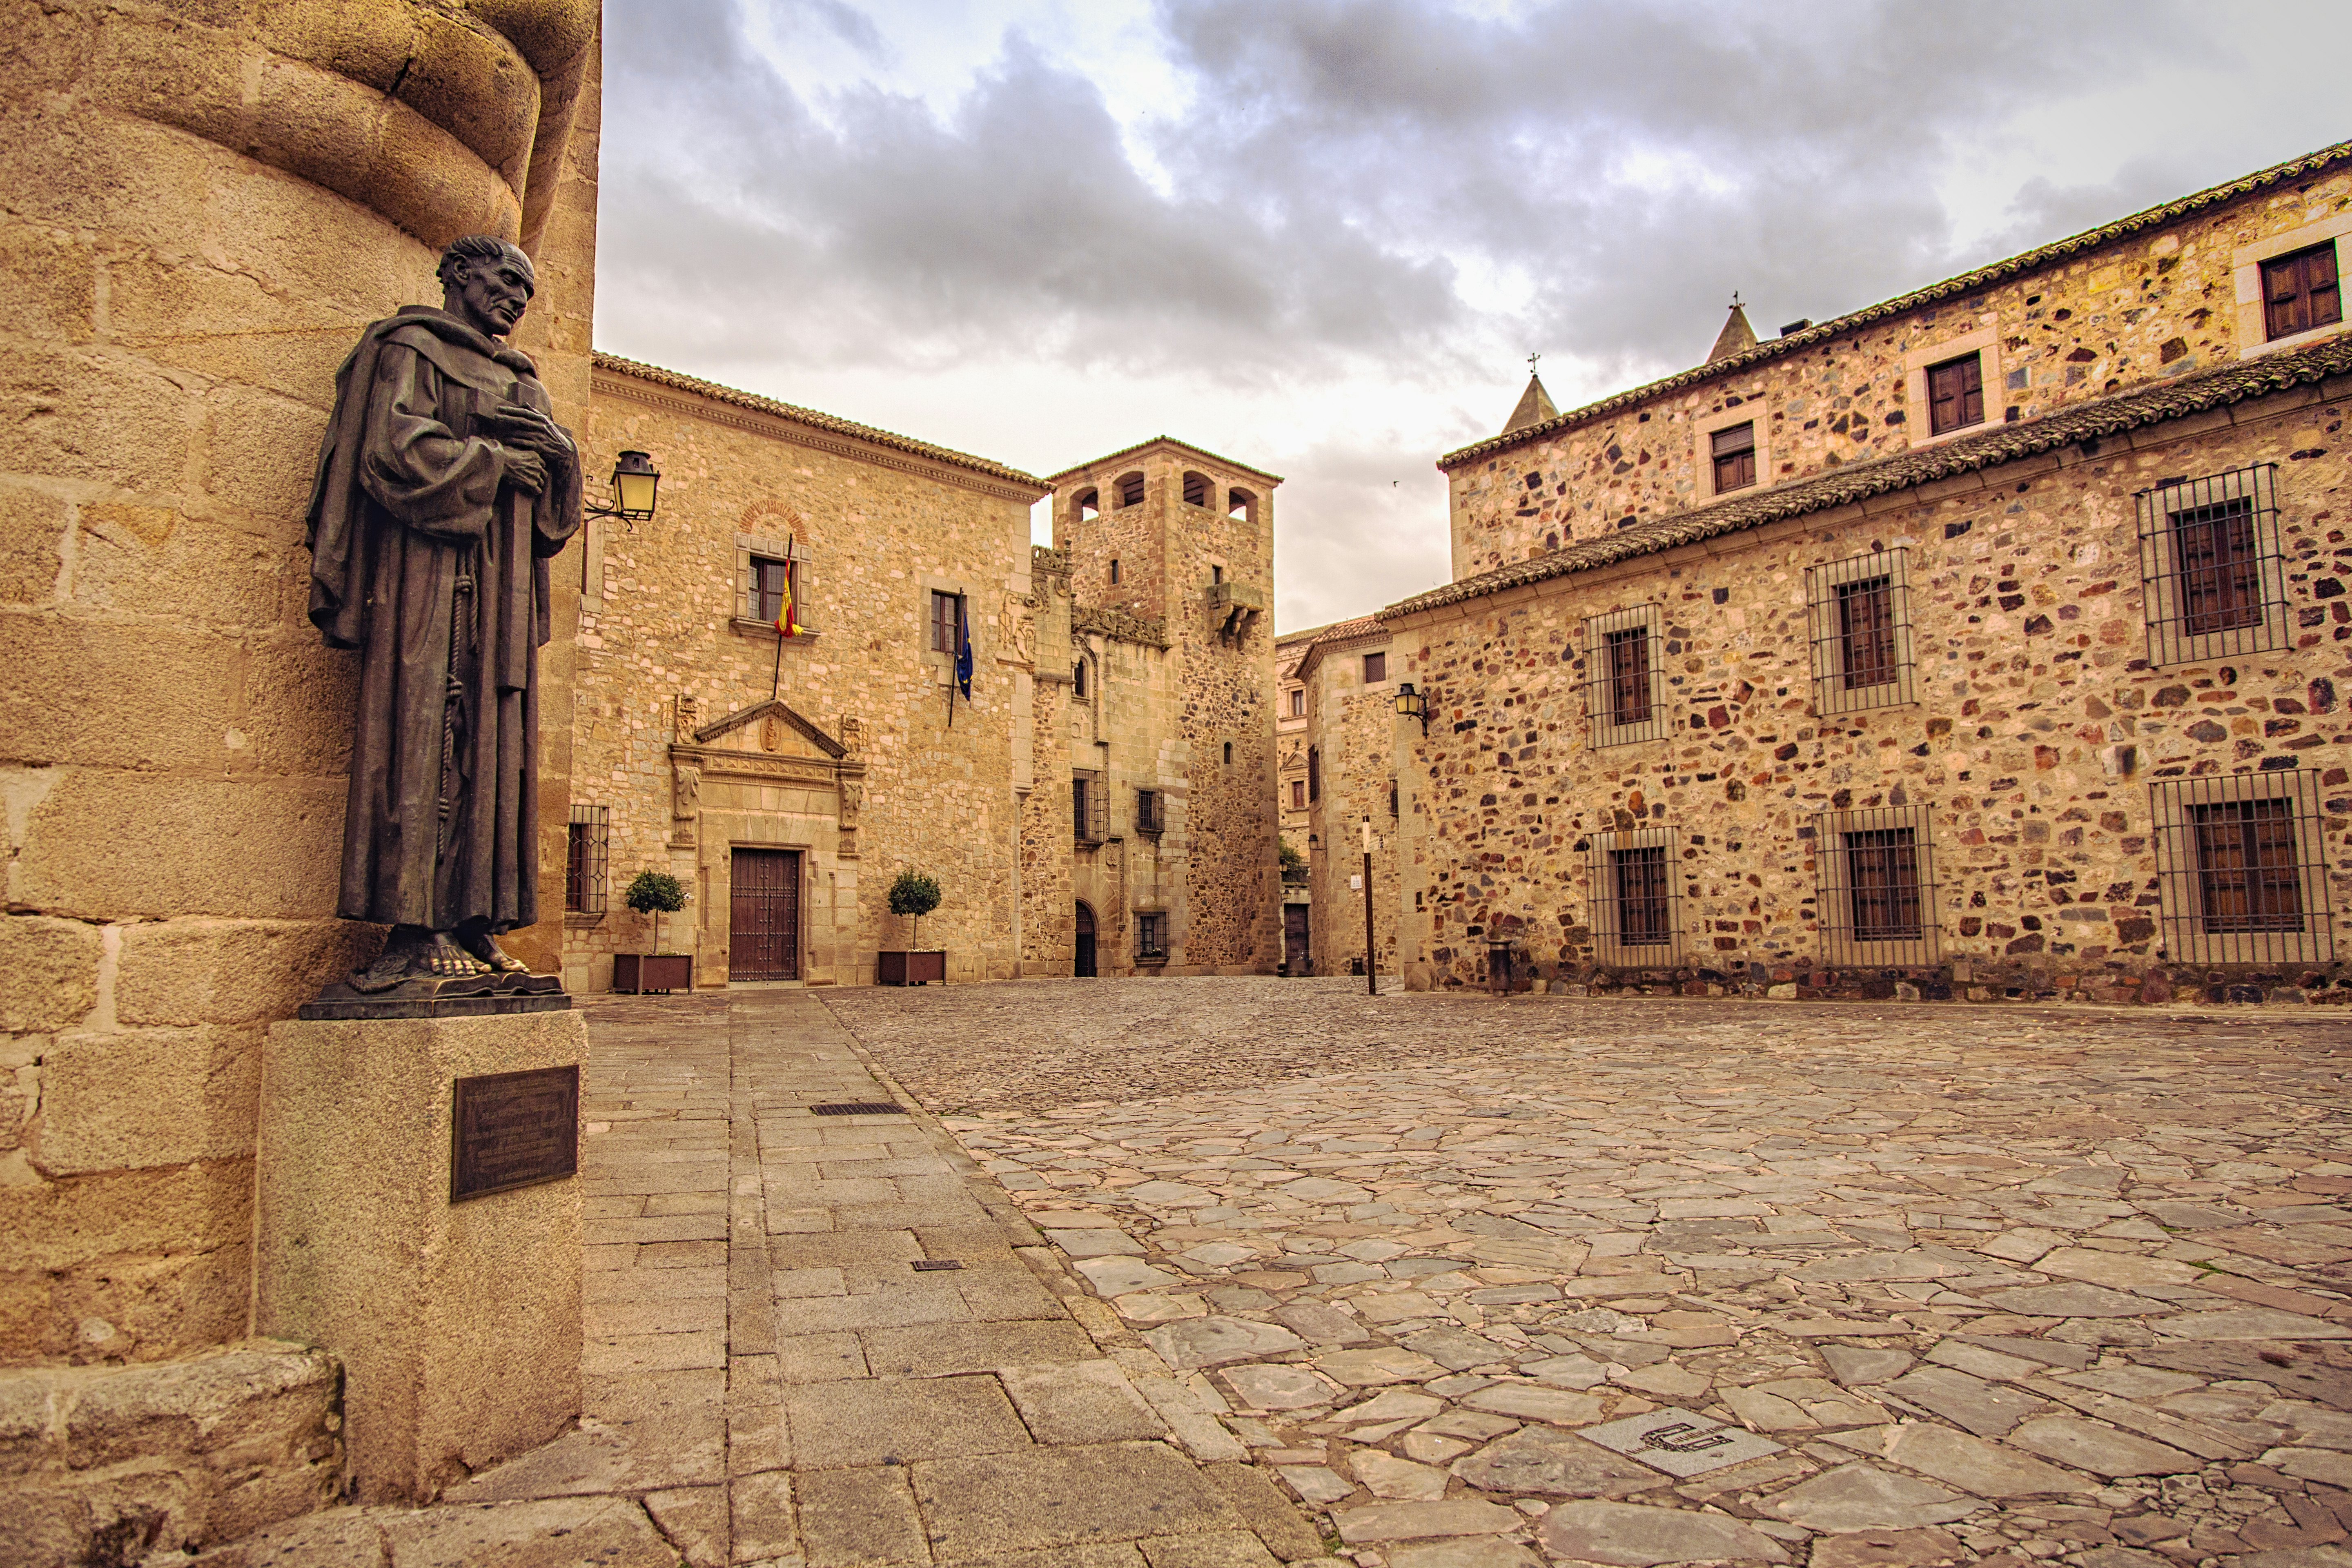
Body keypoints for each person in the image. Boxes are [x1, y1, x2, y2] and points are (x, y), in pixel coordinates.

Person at [304, 235, 581, 991]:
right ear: (459, 274)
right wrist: (494, 467)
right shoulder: (411, 350)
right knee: (419, 727)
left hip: (503, 594)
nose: (518, 299)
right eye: (506, 280)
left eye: (527, 291)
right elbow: (391, 453)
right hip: (427, 575)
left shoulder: (525, 381)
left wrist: (561, 457)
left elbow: (557, 523)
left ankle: (476, 920)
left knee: (497, 744)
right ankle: (409, 925)